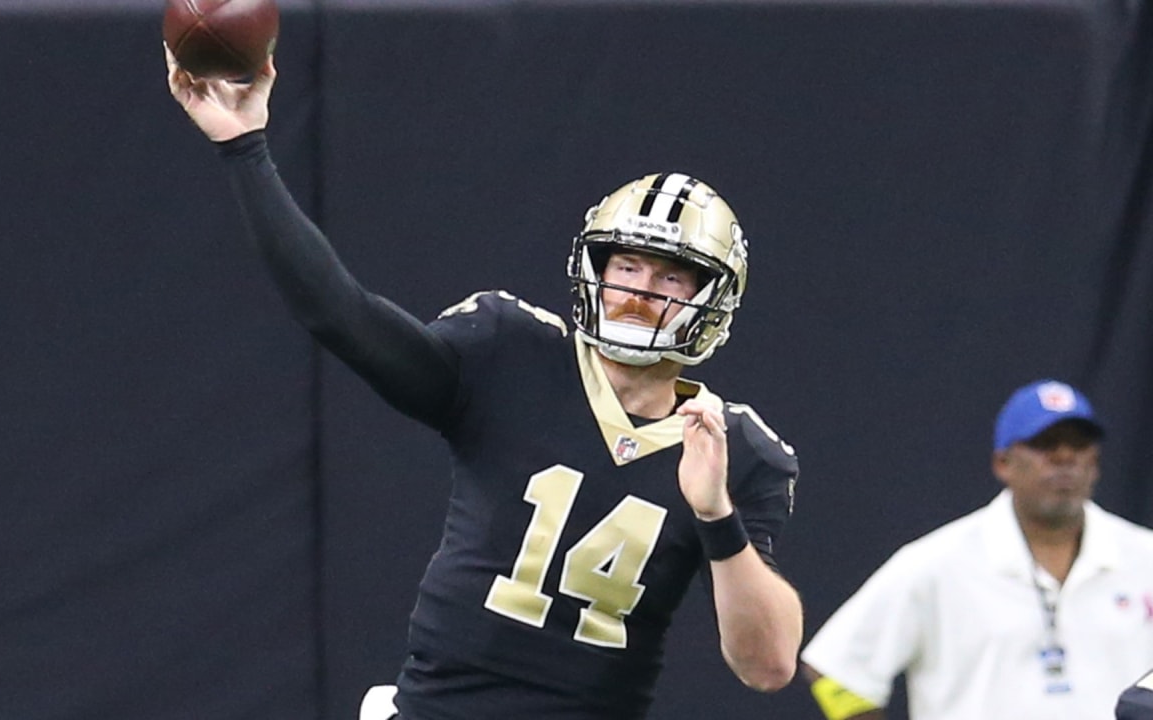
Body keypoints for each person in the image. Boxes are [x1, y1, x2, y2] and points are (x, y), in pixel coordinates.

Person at [165, 49, 803, 719]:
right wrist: (246, 149)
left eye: (671, 277)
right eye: (626, 265)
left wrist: (715, 517)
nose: (638, 292)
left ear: (711, 300)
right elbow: (338, 313)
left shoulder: (735, 451)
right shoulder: (512, 351)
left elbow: (768, 665)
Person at [800, 379, 1153, 720]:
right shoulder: (938, 563)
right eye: (1046, 443)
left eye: (1079, 444)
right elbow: (836, 668)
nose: (1064, 457)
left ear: (1095, 460)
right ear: (1003, 463)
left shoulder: (1145, 557)